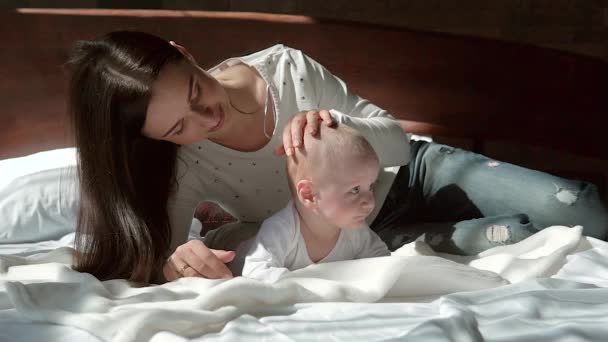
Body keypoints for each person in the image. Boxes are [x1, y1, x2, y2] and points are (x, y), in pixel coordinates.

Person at [65, 31, 608, 285]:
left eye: (193, 93)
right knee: (505, 239)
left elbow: (395, 137)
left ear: (184, 53)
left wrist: (341, 126)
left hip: (411, 175)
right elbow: (160, 250)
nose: (205, 120)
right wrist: (178, 261)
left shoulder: (285, 69)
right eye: (178, 127)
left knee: (578, 205)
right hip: (357, 232)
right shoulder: (182, 162)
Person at [241, 124, 390, 282]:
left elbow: (384, 263)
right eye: (354, 190)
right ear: (309, 195)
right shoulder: (281, 230)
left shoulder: (355, 231)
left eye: (371, 187)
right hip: (233, 248)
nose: (370, 202)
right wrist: (308, 287)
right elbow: (255, 273)